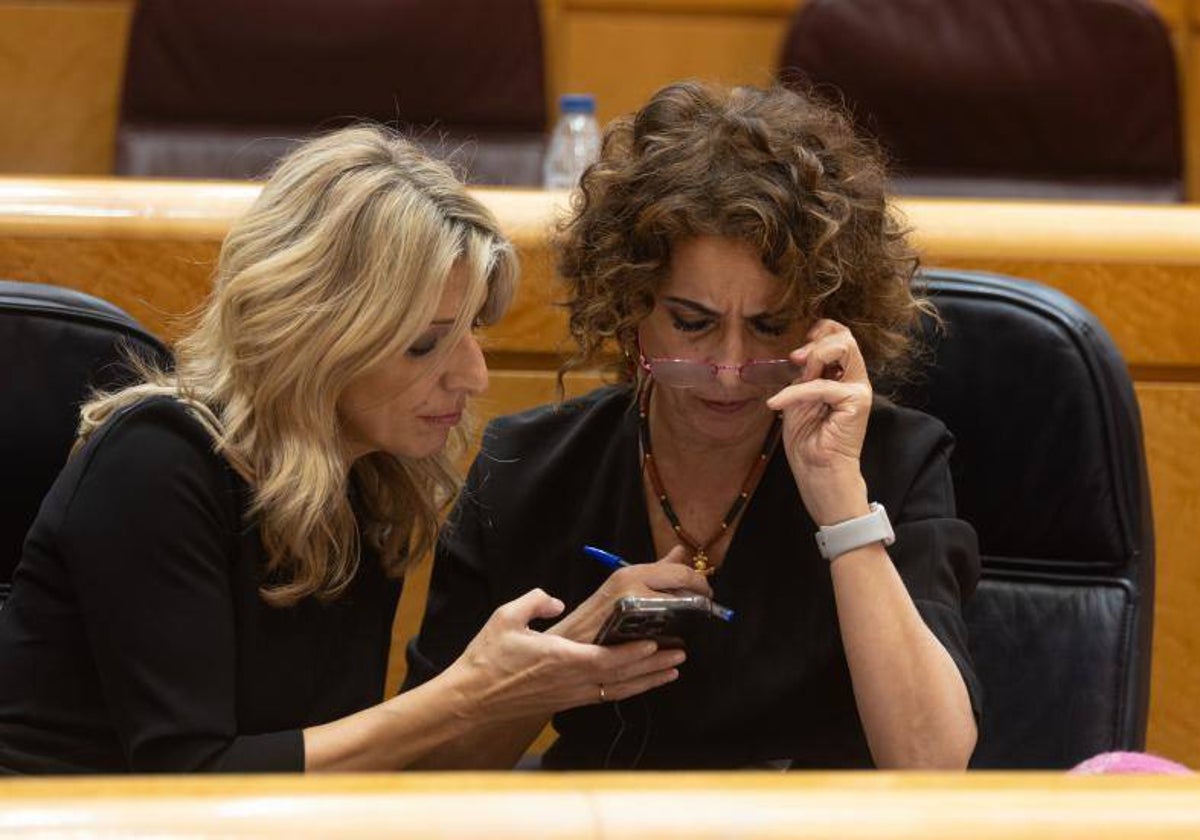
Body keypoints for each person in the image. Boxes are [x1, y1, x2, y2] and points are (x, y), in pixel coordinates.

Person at [0, 125, 691, 774]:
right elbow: (193, 782)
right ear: (318, 336)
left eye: (473, 330)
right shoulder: (157, 461)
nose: (474, 375)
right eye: (426, 343)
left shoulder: (369, 478)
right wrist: (473, 691)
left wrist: (546, 667)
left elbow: (328, 759)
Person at [405, 82, 982, 770]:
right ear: (631, 304)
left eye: (770, 327)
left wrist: (839, 505)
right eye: (693, 323)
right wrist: (557, 668)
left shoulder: (892, 460)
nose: (731, 370)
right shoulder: (527, 468)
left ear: (828, 319)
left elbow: (931, 765)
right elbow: (424, 780)